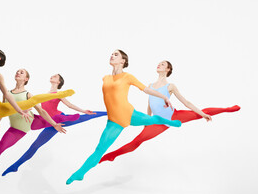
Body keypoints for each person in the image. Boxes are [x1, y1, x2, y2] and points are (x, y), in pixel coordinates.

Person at [66, 50, 181, 184]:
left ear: (123, 61)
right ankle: (80, 173)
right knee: (100, 149)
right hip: (114, 121)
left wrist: (164, 97)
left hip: (129, 113)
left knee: (151, 120)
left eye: (116, 54)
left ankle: (170, 122)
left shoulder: (128, 76)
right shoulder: (105, 78)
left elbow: (146, 89)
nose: (112, 55)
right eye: (111, 54)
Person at [99, 60, 240, 163]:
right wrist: (147, 121)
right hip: (157, 122)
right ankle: (112, 155)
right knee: (137, 141)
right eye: (159, 63)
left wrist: (203, 115)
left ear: (167, 70)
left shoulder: (170, 86)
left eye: (162, 64)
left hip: (173, 115)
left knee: (200, 113)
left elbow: (186, 102)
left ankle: (228, 109)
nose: (159, 65)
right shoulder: (150, 85)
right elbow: (149, 104)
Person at [0, 69, 79, 175]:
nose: (18, 73)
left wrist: (54, 125)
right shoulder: (7, 93)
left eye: (21, 72)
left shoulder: (27, 94)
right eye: (17, 71)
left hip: (34, 121)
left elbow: (42, 111)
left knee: (58, 118)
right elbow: (3, 110)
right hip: (17, 129)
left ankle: (71, 117)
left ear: (26, 79)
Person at [2, 74, 107, 176]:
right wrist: (24, 110)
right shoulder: (44, 95)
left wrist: (83, 110)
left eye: (55, 76)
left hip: (61, 119)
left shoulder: (58, 94)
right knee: (35, 146)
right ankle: (15, 166)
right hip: (51, 124)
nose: (52, 76)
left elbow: (69, 105)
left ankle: (107, 113)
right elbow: (40, 109)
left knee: (84, 117)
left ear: (59, 82)